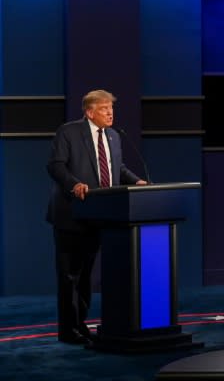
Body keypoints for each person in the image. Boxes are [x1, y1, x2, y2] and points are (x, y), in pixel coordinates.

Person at [46, 89, 147, 345]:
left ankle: (81, 325)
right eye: (104, 109)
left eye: (111, 108)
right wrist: (75, 184)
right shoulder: (68, 132)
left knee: (87, 276)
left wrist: (136, 181)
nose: (110, 113)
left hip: (100, 216)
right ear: (89, 112)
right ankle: (68, 331)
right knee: (70, 275)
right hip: (71, 215)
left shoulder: (113, 136)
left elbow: (116, 168)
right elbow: (56, 165)